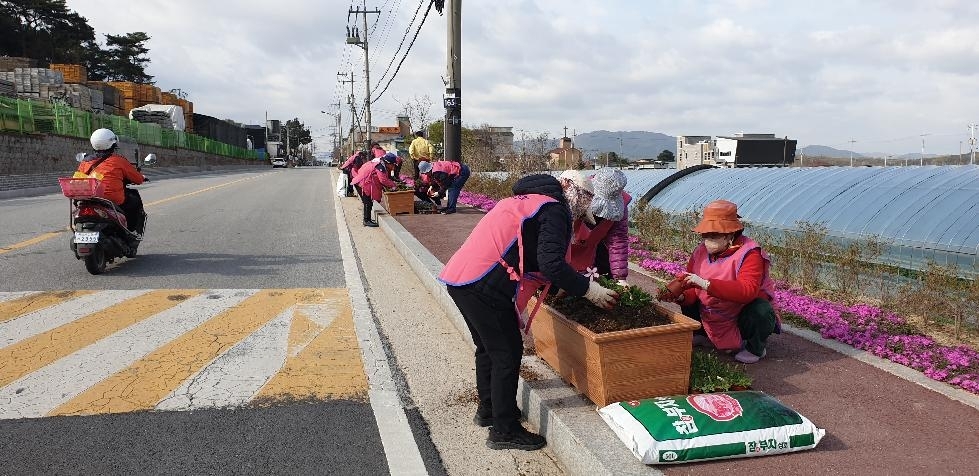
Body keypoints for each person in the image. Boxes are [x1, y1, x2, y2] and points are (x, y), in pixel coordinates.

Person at [438, 174, 619, 451]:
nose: (582, 209)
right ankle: (504, 430)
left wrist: (559, 282)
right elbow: (551, 264)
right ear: (568, 188)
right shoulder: (555, 209)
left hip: (461, 279)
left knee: (487, 348)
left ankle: (489, 411)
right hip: (486, 286)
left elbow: (531, 253)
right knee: (507, 354)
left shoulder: (522, 200)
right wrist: (589, 290)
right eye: (585, 200)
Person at [659, 200, 779, 364]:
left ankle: (754, 346)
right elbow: (691, 288)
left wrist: (706, 284)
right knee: (687, 295)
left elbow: (747, 291)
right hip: (714, 311)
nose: (707, 240)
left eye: (713, 235)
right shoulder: (701, 251)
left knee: (761, 310)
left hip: (740, 311)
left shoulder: (750, 253)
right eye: (704, 235)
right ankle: (702, 334)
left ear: (730, 235)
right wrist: (681, 297)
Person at [561, 168, 631, 285]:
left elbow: (618, 240)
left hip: (589, 253)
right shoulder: (574, 194)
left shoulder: (620, 207)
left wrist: (620, 277)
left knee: (594, 281)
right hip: (563, 250)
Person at [73, 128, 146, 236]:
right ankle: (131, 232)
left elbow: (78, 179)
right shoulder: (118, 160)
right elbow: (138, 179)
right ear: (113, 144)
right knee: (133, 202)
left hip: (89, 197)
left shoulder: (85, 161)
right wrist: (142, 177)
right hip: (112, 199)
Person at [350, 152, 399, 227]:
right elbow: (383, 180)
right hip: (364, 182)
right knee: (367, 202)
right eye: (392, 164)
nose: (393, 166)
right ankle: (366, 220)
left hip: (364, 179)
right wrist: (393, 185)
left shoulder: (380, 162)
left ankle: (368, 219)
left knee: (368, 201)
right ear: (388, 163)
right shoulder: (380, 166)